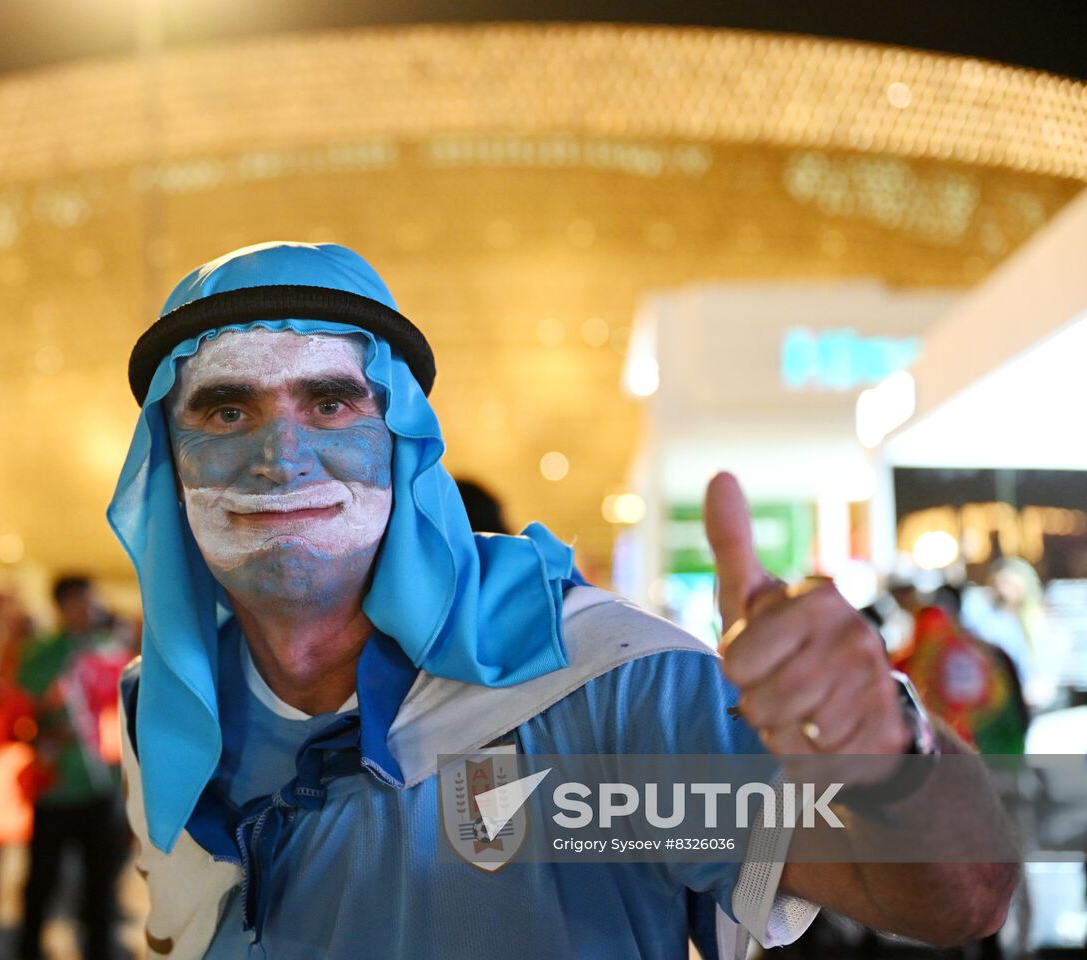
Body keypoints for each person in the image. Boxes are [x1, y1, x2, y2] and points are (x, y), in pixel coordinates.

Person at [109, 242, 1015, 959]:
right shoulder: (167, 708)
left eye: (331, 405)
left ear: (404, 441)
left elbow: (961, 899)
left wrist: (892, 756)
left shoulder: (610, 683)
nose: (280, 458)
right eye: (227, 412)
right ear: (169, 460)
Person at [14, 575, 128, 960]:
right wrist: (45, 729)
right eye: (78, 602)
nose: (86, 610)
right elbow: (22, 700)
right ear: (60, 607)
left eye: (90, 602)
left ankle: (99, 950)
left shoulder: (109, 649)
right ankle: (29, 948)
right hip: (55, 789)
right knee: (41, 880)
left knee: (101, 884)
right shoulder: (43, 651)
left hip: (100, 786)